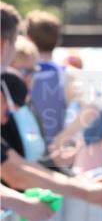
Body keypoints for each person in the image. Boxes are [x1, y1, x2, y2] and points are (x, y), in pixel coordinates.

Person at [24, 9, 68, 144]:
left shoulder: (19, 74)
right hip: (56, 152)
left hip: (23, 150)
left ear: (28, 39)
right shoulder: (66, 75)